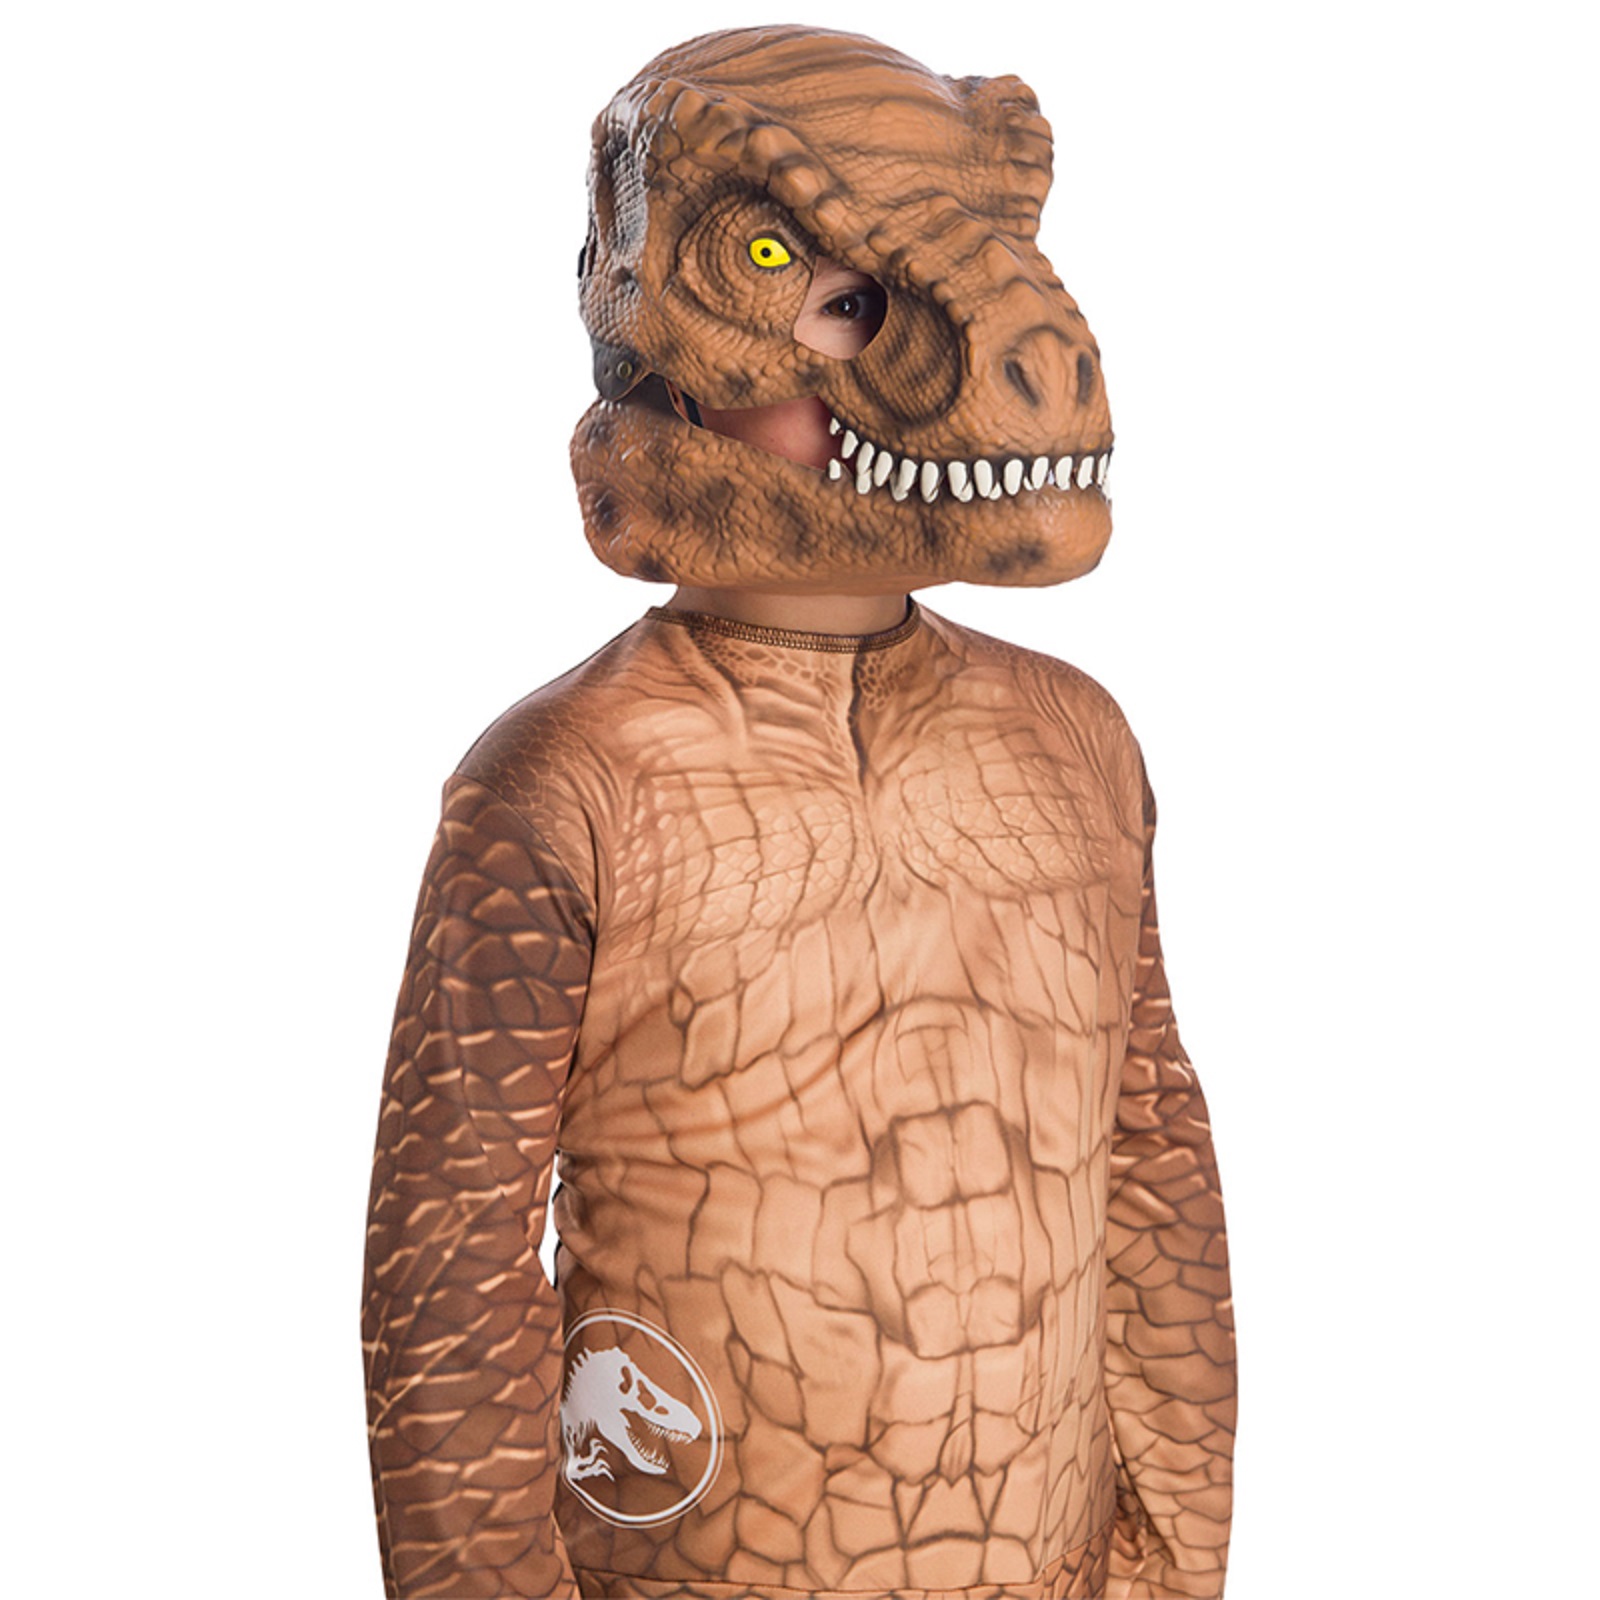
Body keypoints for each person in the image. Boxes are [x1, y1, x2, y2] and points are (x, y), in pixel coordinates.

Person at [362, 24, 1236, 1600]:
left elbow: (1148, 1157)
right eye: (808, 280)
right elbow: (450, 1270)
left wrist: (1165, 1558)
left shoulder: (1079, 745)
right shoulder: (561, 778)